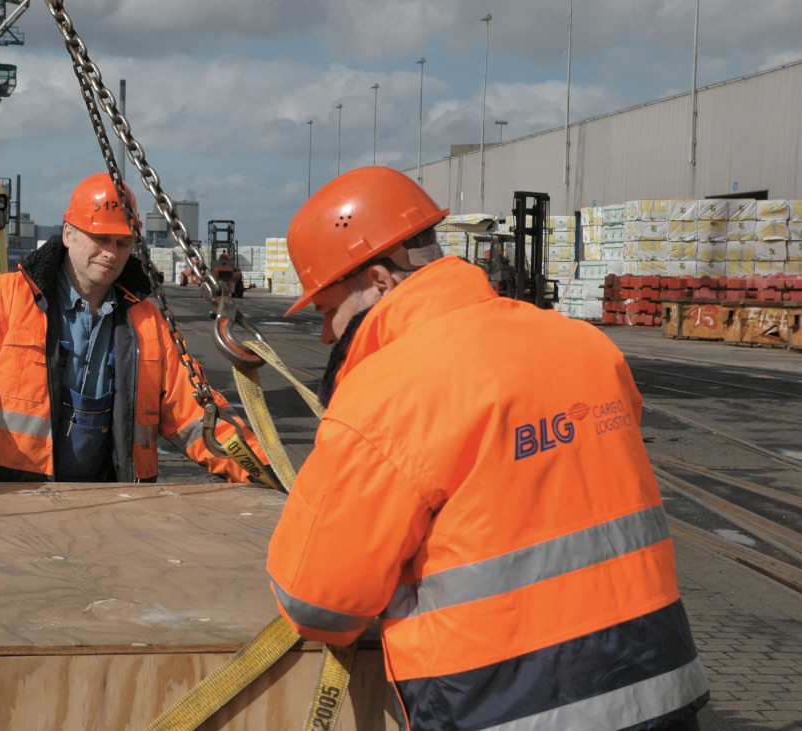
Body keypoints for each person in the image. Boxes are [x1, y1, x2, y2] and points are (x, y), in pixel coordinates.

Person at [266, 167, 709, 730]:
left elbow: (318, 602)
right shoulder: (585, 346)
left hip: (505, 707)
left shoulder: (384, 395)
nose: (328, 334)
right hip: (659, 692)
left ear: (378, 279)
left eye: (329, 309)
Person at [0, 172, 267, 484]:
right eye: (100, 238)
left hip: (106, 505)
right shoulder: (4, 299)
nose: (111, 253)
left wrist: (262, 467)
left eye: (123, 244)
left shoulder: (148, 323)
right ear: (69, 234)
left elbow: (195, 414)